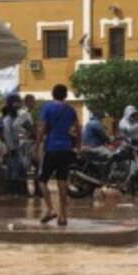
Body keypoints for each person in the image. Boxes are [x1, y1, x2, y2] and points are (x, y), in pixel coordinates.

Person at [36, 83, 80, 226]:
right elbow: (78, 128)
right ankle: (63, 216)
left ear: (52, 94)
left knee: (42, 180)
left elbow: (42, 127)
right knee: (62, 182)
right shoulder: (70, 110)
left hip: (51, 148)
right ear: (66, 95)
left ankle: (50, 209)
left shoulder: (47, 108)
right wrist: (78, 146)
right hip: (66, 149)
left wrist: (37, 145)